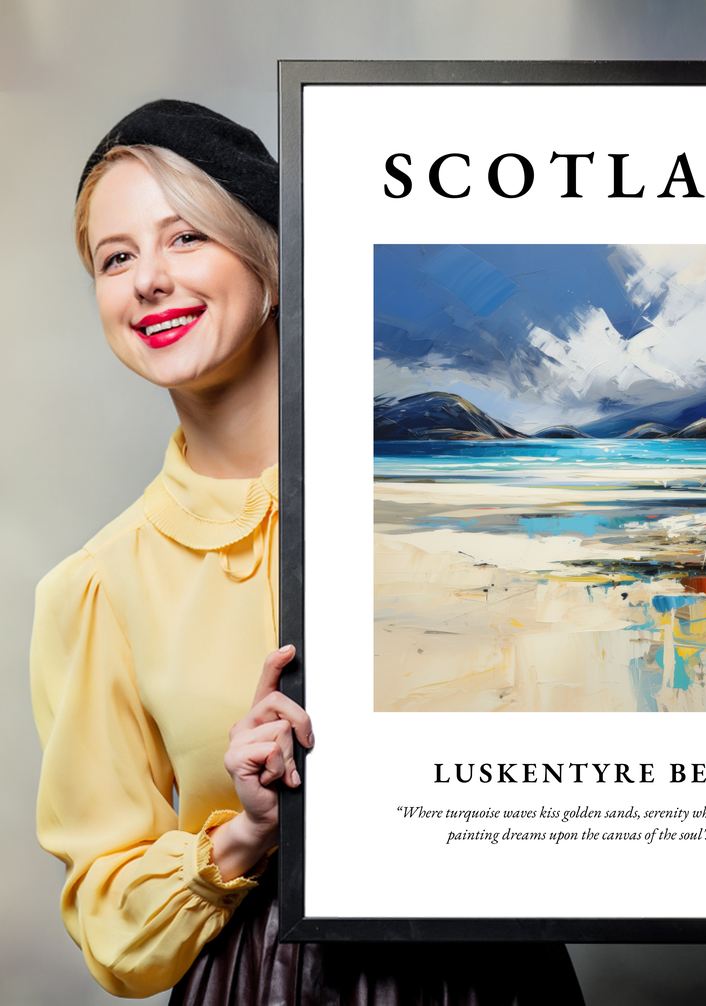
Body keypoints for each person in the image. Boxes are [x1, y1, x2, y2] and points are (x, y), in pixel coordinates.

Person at [30, 100, 586, 1004]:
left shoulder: (450, 500)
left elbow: (613, 707)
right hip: (262, 982)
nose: (148, 281)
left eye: (185, 239)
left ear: (273, 263)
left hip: (493, 973)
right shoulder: (97, 587)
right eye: (116, 257)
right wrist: (245, 832)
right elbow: (110, 923)